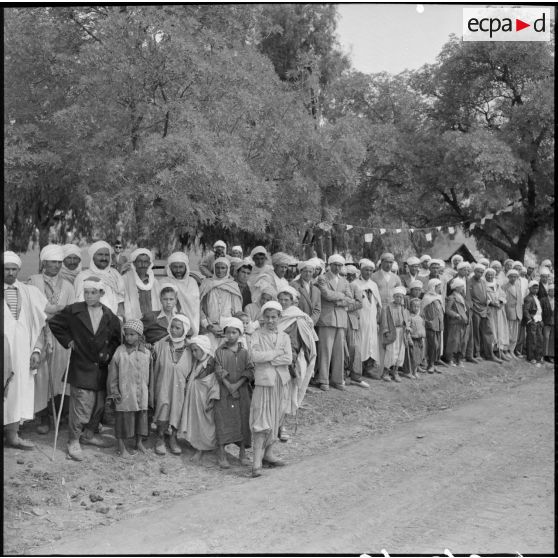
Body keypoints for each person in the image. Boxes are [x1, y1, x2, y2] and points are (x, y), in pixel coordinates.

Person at [49, 276, 122, 461]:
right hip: (81, 364)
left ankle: (88, 435)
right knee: (81, 406)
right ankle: (73, 440)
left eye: (93, 292)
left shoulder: (109, 315)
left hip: (101, 368)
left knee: (98, 405)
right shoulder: (74, 310)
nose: (89, 296)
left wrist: (108, 353)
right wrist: (68, 341)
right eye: (87, 292)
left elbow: (115, 339)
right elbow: (55, 323)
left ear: (101, 293)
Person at [28, 244, 75, 434]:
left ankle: (60, 415)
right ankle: (43, 416)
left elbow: (71, 312)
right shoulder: (33, 281)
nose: (56, 266)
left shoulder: (68, 286)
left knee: (60, 374)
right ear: (44, 262)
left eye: (58, 262)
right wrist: (49, 313)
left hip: (61, 335)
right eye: (52, 262)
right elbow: (32, 307)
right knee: (42, 374)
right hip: (40, 332)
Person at [3, 251, 47, 450]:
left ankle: (13, 436)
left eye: (14, 269)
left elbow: (41, 323)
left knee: (17, 390)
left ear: (19, 270)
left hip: (22, 355)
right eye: (6, 269)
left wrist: (37, 350)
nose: (10, 273)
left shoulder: (29, 292)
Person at [249, 301, 292, 477]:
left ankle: (269, 454)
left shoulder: (285, 337)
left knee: (276, 418)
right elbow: (254, 356)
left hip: (280, 382)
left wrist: (269, 359)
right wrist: (276, 353)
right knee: (261, 419)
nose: (270, 320)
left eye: (274, 317)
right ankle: (256, 462)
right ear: (262, 317)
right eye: (267, 317)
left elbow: (288, 358)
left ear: (279, 317)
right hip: (264, 382)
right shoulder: (256, 335)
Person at [276, 286, 319, 435]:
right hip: (273, 359)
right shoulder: (274, 314)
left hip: (290, 361)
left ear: (292, 301)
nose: (283, 302)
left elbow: (306, 342)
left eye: (286, 300)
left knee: (287, 395)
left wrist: (294, 360)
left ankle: (280, 426)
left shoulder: (299, 317)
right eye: (280, 299)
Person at [213, 318, 254, 468]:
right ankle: (222, 454)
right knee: (223, 420)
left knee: (243, 419)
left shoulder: (244, 352)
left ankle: (243, 452)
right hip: (224, 391)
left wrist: (236, 385)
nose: (230, 335)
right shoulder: (219, 352)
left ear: (240, 333)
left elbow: (249, 369)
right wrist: (229, 386)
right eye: (228, 332)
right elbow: (218, 369)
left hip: (242, 391)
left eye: (234, 332)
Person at [107, 319, 150, 458]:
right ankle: (121, 446)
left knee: (141, 418)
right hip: (125, 393)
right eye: (127, 334)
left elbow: (150, 374)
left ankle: (139, 442)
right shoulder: (119, 352)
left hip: (141, 392)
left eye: (133, 334)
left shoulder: (146, 352)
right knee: (123, 419)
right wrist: (114, 391)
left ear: (139, 335)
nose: (129, 337)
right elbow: (112, 374)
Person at [152, 314, 193, 456]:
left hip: (180, 387)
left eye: (178, 328)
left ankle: (173, 438)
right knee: (163, 406)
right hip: (163, 383)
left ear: (185, 330)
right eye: (172, 327)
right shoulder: (161, 345)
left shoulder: (190, 349)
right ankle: (160, 438)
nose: (174, 330)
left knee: (177, 409)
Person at [181, 335, 221, 464]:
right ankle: (198, 447)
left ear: (204, 349)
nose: (193, 353)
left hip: (205, 398)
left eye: (196, 350)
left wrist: (212, 398)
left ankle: (205, 447)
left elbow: (215, 383)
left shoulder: (210, 363)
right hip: (195, 398)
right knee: (196, 423)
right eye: (192, 350)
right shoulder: (196, 362)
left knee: (206, 424)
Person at [315, 254, 352, 391]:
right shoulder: (322, 278)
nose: (338, 267)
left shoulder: (345, 281)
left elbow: (350, 299)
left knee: (339, 351)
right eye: (335, 264)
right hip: (327, 318)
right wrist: (341, 297)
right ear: (330, 265)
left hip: (341, 319)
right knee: (325, 350)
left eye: (340, 265)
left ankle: (337, 379)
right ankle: (323, 379)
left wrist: (337, 299)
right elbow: (326, 294)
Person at [199, 257, 243, 350]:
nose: (219, 270)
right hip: (210, 328)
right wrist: (209, 326)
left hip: (229, 330)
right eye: (217, 267)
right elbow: (199, 308)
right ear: (214, 268)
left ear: (227, 269)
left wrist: (231, 328)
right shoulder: (206, 283)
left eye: (223, 268)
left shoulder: (233, 285)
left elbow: (238, 311)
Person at [74, 241, 125, 319]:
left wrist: (120, 319)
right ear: (93, 256)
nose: (104, 258)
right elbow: (79, 304)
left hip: (114, 323)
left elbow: (121, 300)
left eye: (107, 255)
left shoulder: (115, 275)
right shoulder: (83, 276)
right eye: (100, 255)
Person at [354, 259, 382, 377]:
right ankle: (359, 369)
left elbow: (378, 304)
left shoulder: (373, 285)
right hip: (361, 318)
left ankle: (369, 368)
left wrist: (378, 320)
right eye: (366, 270)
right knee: (361, 342)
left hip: (372, 319)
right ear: (361, 270)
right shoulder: (355, 284)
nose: (368, 272)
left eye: (371, 270)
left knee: (372, 342)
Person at [468, 263, 501, 363]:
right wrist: (473, 307)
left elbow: (485, 296)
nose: (480, 273)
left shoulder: (483, 281)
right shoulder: (469, 282)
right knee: (476, 333)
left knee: (488, 332)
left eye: (482, 272)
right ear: (474, 271)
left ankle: (489, 354)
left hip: (484, 309)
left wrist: (488, 304)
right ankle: (477, 353)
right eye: (478, 271)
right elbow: (469, 297)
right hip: (475, 309)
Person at [162, 252, 200, 335]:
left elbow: (196, 306)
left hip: (191, 323)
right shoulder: (163, 282)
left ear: (186, 267)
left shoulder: (192, 282)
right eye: (175, 267)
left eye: (181, 267)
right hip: (171, 325)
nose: (178, 270)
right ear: (170, 267)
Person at [343, 267, 368, 388]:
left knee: (354, 348)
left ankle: (356, 376)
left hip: (352, 320)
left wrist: (346, 308)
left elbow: (359, 303)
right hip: (339, 320)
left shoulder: (355, 286)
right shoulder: (339, 284)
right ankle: (341, 375)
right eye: (347, 274)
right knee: (341, 348)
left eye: (352, 275)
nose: (349, 277)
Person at [379, 286, 410, 382]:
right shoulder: (388, 307)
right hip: (392, 331)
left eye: (400, 297)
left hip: (401, 332)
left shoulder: (403, 308)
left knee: (400, 352)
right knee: (391, 352)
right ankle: (386, 372)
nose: (398, 299)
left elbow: (406, 320)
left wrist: (407, 327)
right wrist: (386, 331)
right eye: (397, 296)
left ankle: (395, 371)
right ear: (393, 297)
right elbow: (384, 321)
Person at [122, 248, 160, 320]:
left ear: (149, 263)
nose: (143, 265)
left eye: (146, 262)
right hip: (133, 322)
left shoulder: (154, 282)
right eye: (139, 261)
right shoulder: (125, 280)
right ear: (134, 263)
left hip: (153, 322)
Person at [485, 267, 510, 361]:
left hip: (499, 310)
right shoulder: (484, 285)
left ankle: (500, 351)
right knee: (492, 330)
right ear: (486, 275)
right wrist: (491, 303)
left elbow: (503, 295)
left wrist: (500, 302)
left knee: (500, 329)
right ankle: (493, 352)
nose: (490, 276)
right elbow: (484, 298)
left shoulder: (497, 285)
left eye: (492, 274)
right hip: (490, 310)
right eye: (488, 275)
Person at [443, 278, 469, 367]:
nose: (462, 288)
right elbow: (447, 310)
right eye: (461, 287)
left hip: (463, 322)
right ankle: (450, 359)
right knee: (453, 341)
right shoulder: (451, 298)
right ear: (456, 287)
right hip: (455, 322)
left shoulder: (462, 297)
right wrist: (456, 315)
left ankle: (459, 359)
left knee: (462, 341)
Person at [421, 279, 445, 374]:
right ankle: (429, 364)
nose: (439, 288)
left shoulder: (439, 297)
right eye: (438, 286)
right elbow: (422, 312)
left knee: (438, 345)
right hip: (430, 325)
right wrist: (427, 321)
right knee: (432, 345)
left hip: (439, 324)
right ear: (433, 287)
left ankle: (434, 364)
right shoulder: (426, 298)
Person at [290, 260, 321, 326]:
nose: (308, 274)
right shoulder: (294, 285)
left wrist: (311, 320)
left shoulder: (316, 290)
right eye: (305, 271)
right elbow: (291, 305)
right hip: (297, 323)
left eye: (310, 272)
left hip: (311, 324)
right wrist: (302, 321)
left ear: (313, 272)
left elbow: (317, 309)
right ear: (301, 272)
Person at [502, 269, 524, 359]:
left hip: (517, 312)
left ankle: (512, 350)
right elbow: (503, 299)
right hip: (509, 311)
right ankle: (506, 350)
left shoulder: (518, 286)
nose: (513, 278)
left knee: (515, 333)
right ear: (508, 277)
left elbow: (520, 300)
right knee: (508, 332)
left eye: (515, 276)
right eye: (512, 276)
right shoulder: (504, 287)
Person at [523, 281, 544, 366]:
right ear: (530, 288)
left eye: (537, 288)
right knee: (532, 340)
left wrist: (541, 320)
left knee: (539, 339)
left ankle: (538, 357)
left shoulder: (536, 297)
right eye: (534, 288)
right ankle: (531, 357)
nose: (536, 290)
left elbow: (539, 310)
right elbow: (525, 310)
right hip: (532, 321)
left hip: (538, 321)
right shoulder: (528, 298)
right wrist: (529, 320)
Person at [405, 298, 426, 379]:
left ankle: (415, 371)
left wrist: (423, 338)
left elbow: (422, 328)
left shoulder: (420, 318)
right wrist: (409, 339)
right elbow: (408, 329)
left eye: (418, 306)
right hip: (413, 340)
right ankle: (409, 372)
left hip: (419, 339)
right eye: (414, 306)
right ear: (410, 307)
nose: (416, 308)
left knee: (418, 357)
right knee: (412, 357)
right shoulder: (409, 317)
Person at [543, 284, 554, 364]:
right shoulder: (544, 300)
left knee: (552, 339)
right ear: (548, 291)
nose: (553, 292)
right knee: (546, 337)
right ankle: (545, 354)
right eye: (551, 290)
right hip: (546, 321)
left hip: (554, 321)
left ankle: (551, 355)